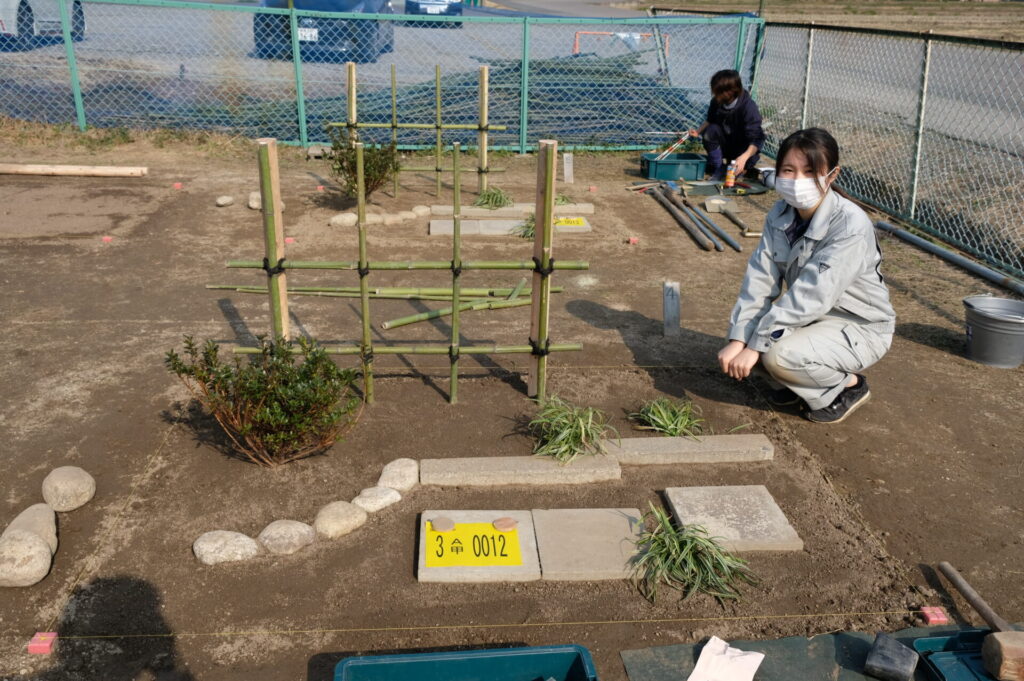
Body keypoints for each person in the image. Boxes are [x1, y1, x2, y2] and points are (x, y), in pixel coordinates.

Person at [717, 128, 895, 424]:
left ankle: (847, 387)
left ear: (832, 174)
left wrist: (755, 345)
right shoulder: (780, 214)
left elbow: (812, 296)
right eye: (788, 170)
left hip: (859, 327)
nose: (797, 181)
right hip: (815, 319)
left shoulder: (850, 225)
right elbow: (760, 281)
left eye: (810, 171)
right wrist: (739, 339)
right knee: (744, 335)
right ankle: (799, 386)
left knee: (775, 354)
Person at [689, 69, 764, 180]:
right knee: (711, 130)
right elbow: (710, 120)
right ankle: (718, 167)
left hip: (743, 148)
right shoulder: (716, 101)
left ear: (731, 91)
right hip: (727, 143)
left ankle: (743, 168)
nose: (714, 94)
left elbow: (756, 139)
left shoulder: (748, 107)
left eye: (718, 92)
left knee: (735, 175)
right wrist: (698, 131)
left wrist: (743, 158)